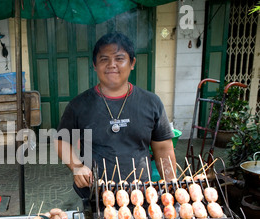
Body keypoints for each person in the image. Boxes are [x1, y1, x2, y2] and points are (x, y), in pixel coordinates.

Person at [55, 32, 176, 199]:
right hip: (94, 193)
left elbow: (163, 148)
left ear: (132, 63)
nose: (112, 65)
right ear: (95, 65)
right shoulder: (78, 105)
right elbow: (62, 141)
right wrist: (77, 166)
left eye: (119, 58)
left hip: (141, 193)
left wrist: (172, 186)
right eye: (104, 59)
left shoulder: (151, 102)